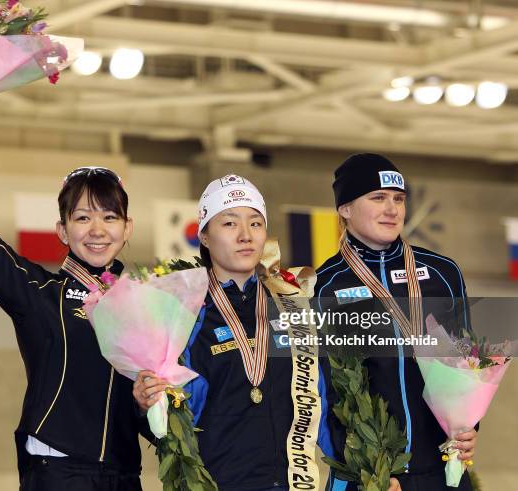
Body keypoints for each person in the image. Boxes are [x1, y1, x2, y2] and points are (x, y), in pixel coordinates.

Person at [0, 89, 149, 491]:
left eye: (110, 217)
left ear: (127, 228)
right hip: (58, 471)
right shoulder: (38, 292)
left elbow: (145, 410)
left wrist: (151, 405)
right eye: (82, 217)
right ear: (62, 230)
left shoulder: (147, 307)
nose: (97, 230)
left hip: (125, 475)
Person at [315, 153, 477, 491]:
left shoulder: (443, 273)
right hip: (369, 475)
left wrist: (471, 427)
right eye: (378, 198)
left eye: (398, 199)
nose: (392, 209)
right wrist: (365, 470)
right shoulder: (323, 286)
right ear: (345, 208)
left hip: (444, 467)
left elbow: (468, 363)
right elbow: (323, 393)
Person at [134, 175, 294, 491]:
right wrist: (144, 406)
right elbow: (167, 426)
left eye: (256, 224)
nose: (246, 236)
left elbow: (323, 400)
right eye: (230, 224)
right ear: (204, 236)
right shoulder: (182, 312)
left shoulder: (290, 306)